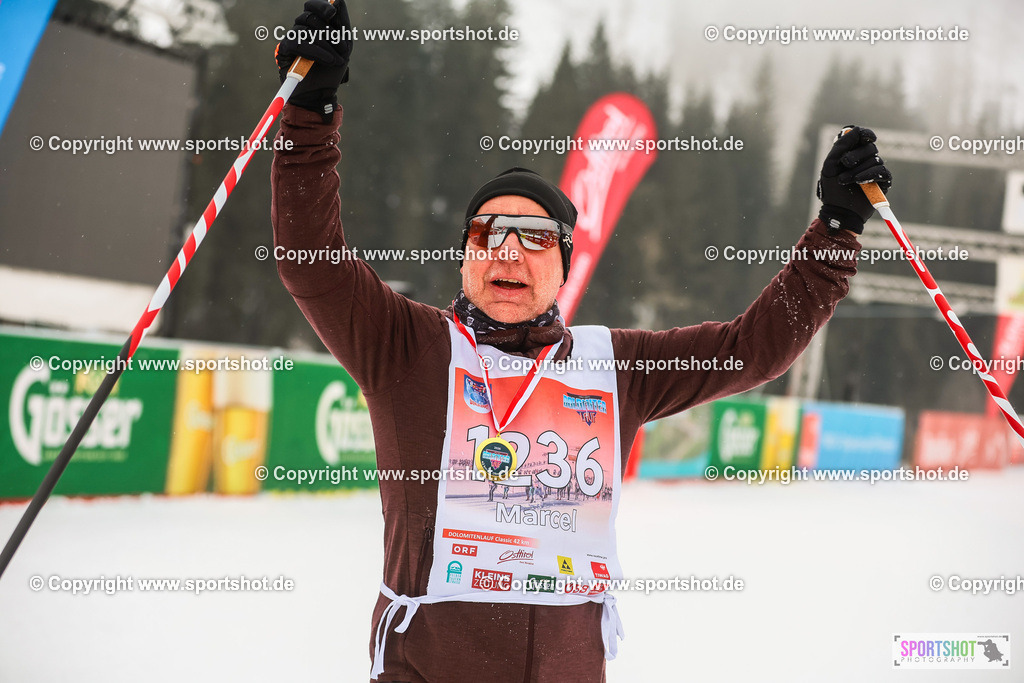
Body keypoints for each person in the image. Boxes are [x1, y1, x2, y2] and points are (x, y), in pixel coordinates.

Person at [272, 2, 891, 681]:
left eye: (535, 237)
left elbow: (753, 347)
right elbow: (312, 259)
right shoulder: (407, 347)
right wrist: (310, 108)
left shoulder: (611, 368)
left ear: (564, 264)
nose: (509, 251)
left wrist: (834, 227)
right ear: (464, 257)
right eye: (488, 232)